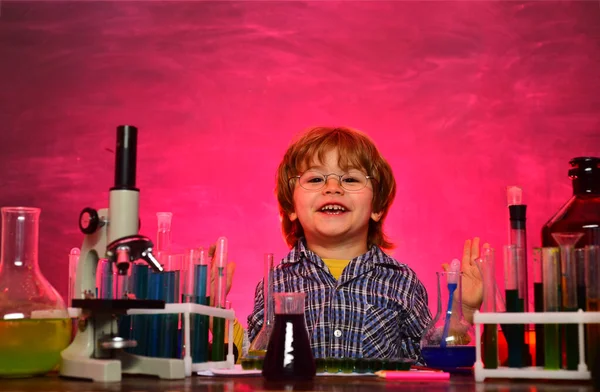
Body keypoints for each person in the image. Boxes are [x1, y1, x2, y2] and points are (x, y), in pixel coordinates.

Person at [242, 126, 487, 364]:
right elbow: (252, 358)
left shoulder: (402, 283)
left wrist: (461, 313)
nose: (333, 188)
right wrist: (212, 311)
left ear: (377, 207)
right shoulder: (275, 282)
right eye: (316, 178)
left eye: (350, 179)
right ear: (291, 208)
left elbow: (429, 360)